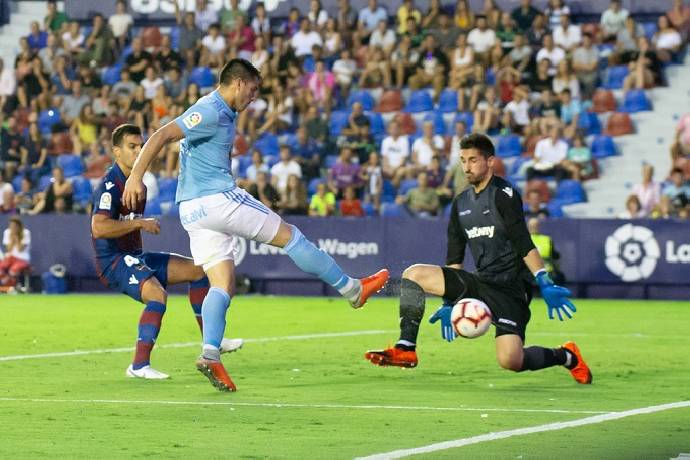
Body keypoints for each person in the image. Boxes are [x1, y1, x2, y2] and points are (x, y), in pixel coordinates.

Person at [122, 59, 390, 392]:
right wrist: (135, 177)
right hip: (217, 198)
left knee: (222, 283)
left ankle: (210, 353)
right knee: (292, 238)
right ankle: (352, 289)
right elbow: (162, 134)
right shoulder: (209, 109)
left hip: (191, 210)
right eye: (253, 89)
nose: (254, 97)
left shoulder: (220, 111)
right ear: (237, 83)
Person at [365, 134, 591, 385]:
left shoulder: (504, 194)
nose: (466, 167)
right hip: (481, 282)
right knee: (413, 274)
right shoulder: (460, 203)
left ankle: (567, 356)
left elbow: (522, 241)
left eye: (473, 160)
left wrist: (543, 279)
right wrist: (449, 301)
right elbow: (455, 256)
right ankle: (405, 347)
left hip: (511, 288)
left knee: (510, 361)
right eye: (463, 160)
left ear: (490, 161)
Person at [91, 124, 243, 378]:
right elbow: (99, 228)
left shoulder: (138, 183)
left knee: (199, 271)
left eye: (141, 146)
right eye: (132, 147)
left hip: (134, 257)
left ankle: (212, 341)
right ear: (116, 152)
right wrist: (140, 222)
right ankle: (139, 366)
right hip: (113, 261)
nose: (139, 151)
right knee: (156, 295)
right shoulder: (109, 185)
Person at [0, 216, 31, 291]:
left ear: (19, 226)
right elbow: (8, 249)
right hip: (10, 257)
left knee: (13, 270)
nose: (12, 227)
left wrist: (17, 238)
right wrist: (12, 238)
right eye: (11, 225)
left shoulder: (26, 233)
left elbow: (20, 249)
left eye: (14, 226)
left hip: (22, 259)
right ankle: (8, 287)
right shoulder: (7, 232)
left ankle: (12, 287)